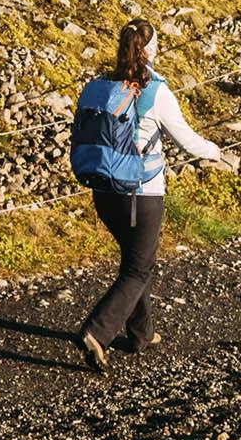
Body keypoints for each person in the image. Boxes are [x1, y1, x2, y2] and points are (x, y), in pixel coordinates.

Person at [69, 19, 222, 371]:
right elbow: (187, 140)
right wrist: (216, 152)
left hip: (103, 190)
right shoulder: (156, 92)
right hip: (142, 194)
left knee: (137, 263)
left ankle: (141, 334)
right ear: (152, 50)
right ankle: (97, 330)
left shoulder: (100, 86)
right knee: (138, 268)